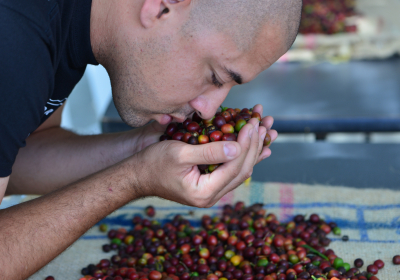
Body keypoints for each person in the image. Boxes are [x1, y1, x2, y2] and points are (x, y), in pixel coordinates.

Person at [0, 0, 302, 278]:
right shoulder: (13, 44)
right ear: (161, 7)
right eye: (214, 77)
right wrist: (133, 178)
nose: (208, 110)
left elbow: (22, 153)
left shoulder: (68, 21)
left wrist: (138, 150)